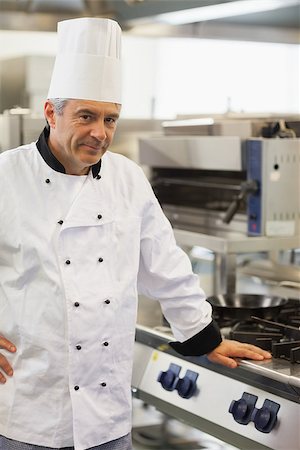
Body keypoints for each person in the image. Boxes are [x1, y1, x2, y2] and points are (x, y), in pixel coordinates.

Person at [0, 17, 271, 450]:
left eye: (110, 119)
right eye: (86, 116)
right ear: (52, 112)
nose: (100, 133)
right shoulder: (6, 176)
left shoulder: (127, 179)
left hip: (106, 413)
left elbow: (166, 266)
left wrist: (205, 337)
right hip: (29, 406)